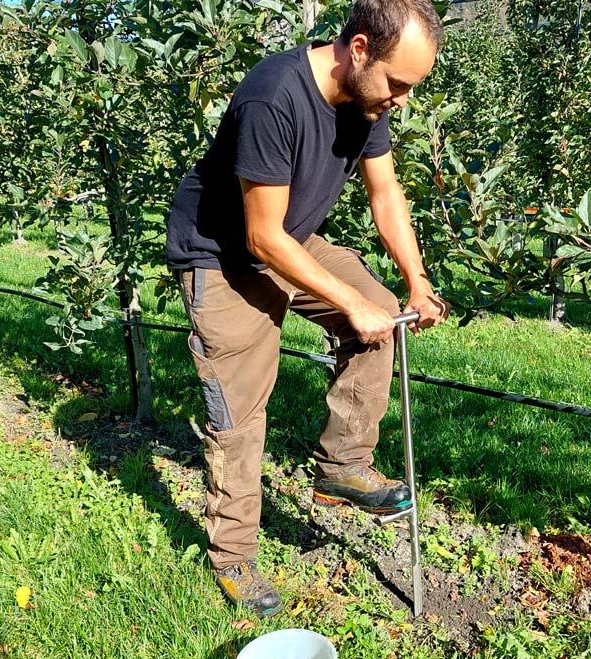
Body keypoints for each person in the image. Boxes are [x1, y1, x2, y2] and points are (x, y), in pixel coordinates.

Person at [167, 0, 450, 618]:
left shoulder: (367, 100)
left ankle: (343, 465)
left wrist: (415, 282)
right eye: (398, 84)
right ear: (357, 50)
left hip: (290, 237)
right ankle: (234, 557)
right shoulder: (273, 97)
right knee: (240, 412)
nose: (403, 100)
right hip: (224, 255)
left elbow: (385, 192)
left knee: (381, 318)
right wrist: (347, 301)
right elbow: (262, 238)